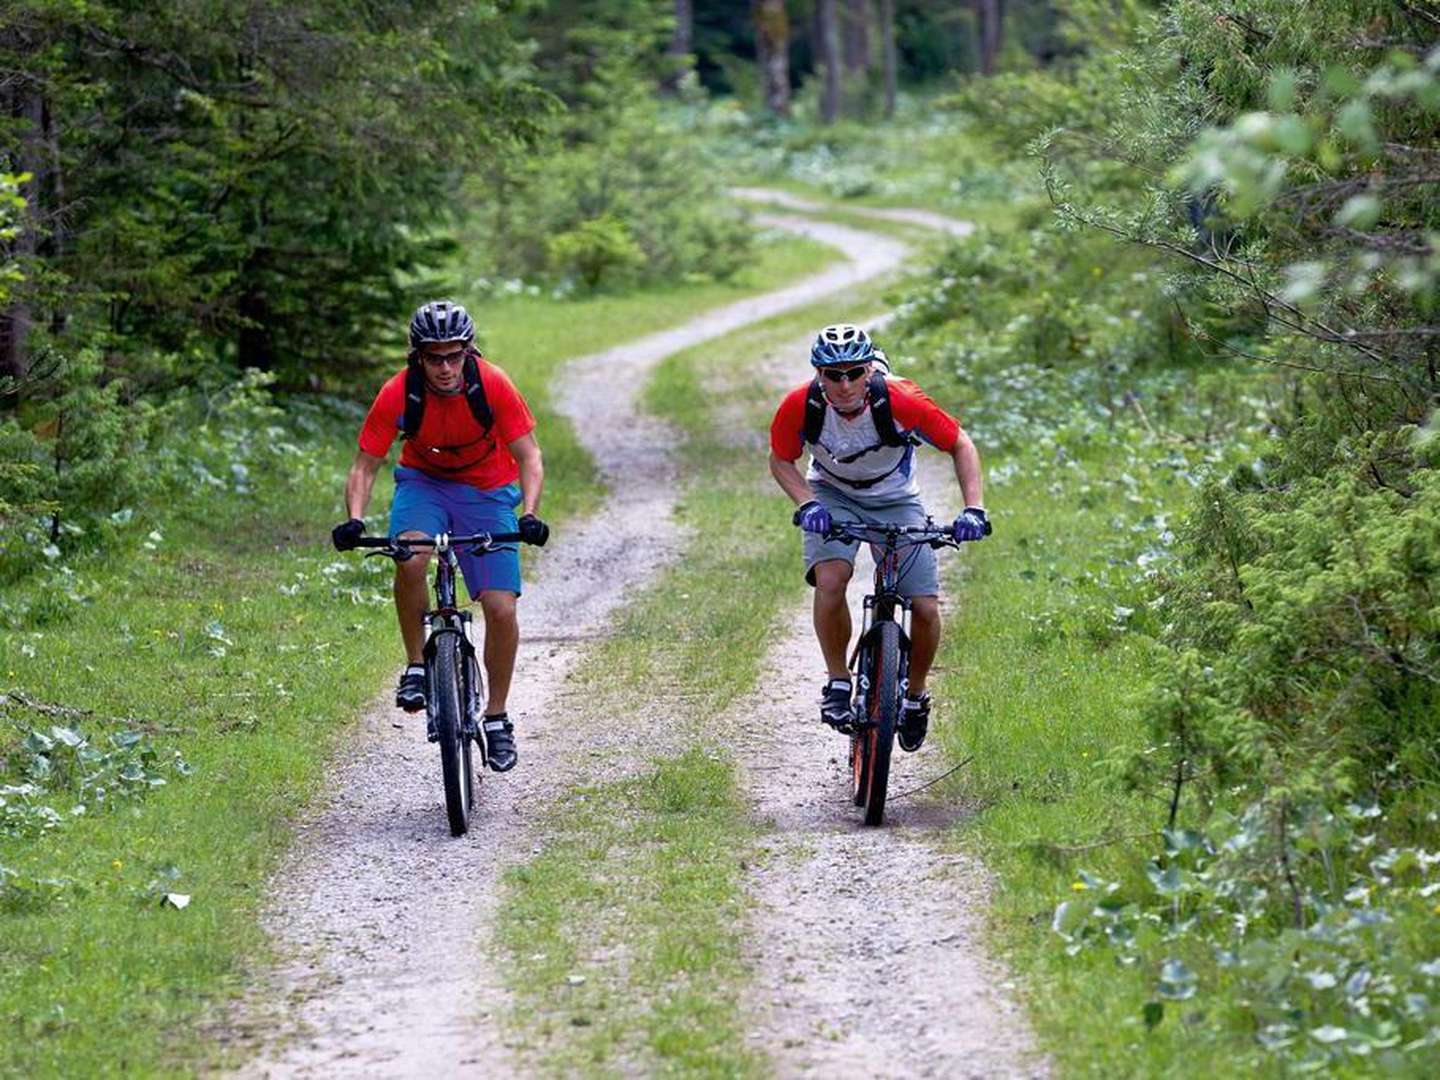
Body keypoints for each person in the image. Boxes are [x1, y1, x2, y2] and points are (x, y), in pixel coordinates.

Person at [330, 300, 548, 772]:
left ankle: (496, 718)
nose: (446, 368)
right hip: (423, 485)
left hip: (488, 490)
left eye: (454, 356)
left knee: (500, 607)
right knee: (409, 557)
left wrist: (528, 513)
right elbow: (365, 464)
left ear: (468, 351)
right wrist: (354, 518)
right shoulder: (399, 391)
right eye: (435, 357)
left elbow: (529, 457)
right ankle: (415, 666)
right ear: (418, 356)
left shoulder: (492, 384)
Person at [767, 323, 989, 751]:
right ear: (819, 374)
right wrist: (806, 503)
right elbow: (780, 460)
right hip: (832, 494)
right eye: (833, 374)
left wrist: (974, 509)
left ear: (870, 369)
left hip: (895, 498)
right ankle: (837, 680)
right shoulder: (801, 404)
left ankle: (914, 696)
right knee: (831, 579)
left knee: (923, 605)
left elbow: (960, 443)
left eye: (854, 372)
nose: (844, 383)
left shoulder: (901, 399)